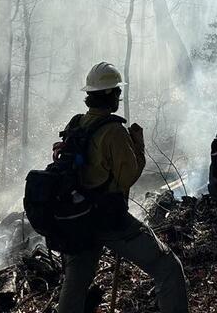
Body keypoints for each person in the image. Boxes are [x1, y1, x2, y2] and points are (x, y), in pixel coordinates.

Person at [57, 62, 188, 313]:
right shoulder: (113, 131)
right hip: (109, 220)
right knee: (169, 268)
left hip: (77, 219)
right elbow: (127, 177)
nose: (119, 95)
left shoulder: (76, 123)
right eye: (116, 91)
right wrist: (137, 145)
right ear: (109, 95)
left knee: (74, 287)